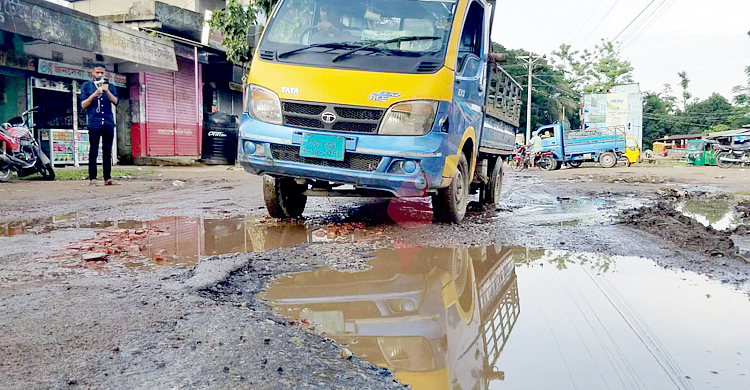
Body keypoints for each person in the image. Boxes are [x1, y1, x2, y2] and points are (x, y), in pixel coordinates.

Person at [80, 64, 118, 186]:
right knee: (93, 150)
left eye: (102, 73)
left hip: (108, 122)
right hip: (94, 122)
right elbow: (83, 105)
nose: (100, 75)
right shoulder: (86, 86)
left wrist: (106, 90)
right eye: (98, 72)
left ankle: (107, 177)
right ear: (92, 73)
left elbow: (116, 101)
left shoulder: (110, 86)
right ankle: (93, 178)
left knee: (107, 151)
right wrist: (93, 95)